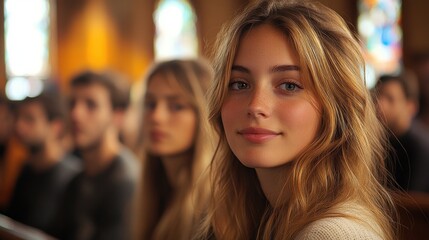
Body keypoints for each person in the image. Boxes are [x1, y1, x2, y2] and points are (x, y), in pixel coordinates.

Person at [195, 1, 397, 239]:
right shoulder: (264, 216)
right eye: (239, 84)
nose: (255, 106)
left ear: (335, 105)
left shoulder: (330, 235)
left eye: (289, 85)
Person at [135, 59, 215, 240]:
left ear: (205, 114)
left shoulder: (215, 206)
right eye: (150, 104)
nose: (156, 117)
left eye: (176, 106)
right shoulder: (155, 187)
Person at [54, 70, 139, 240]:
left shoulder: (127, 181)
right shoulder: (76, 179)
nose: (75, 114)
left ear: (118, 116)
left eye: (90, 105)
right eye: (72, 103)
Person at [4, 90, 80, 234]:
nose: (19, 126)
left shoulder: (73, 177)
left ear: (55, 126)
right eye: (18, 118)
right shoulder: (27, 168)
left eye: (29, 119)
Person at [375, 72, 429, 192]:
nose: (379, 104)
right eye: (377, 97)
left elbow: (412, 203)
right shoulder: (379, 141)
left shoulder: (420, 148)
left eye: (390, 99)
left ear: (411, 107)